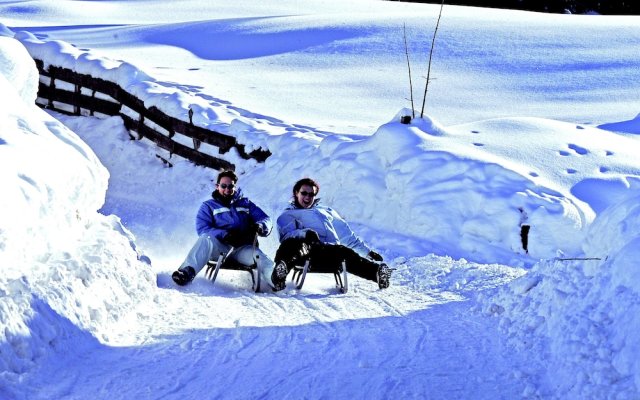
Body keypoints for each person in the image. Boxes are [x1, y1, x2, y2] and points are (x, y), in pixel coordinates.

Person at [272, 177, 392, 291]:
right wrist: (305, 234)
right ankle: (280, 273)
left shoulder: (326, 212)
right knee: (294, 244)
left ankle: (378, 273)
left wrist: (367, 252)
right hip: (305, 254)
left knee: (344, 251)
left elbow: (347, 236)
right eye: (304, 193)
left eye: (311, 194)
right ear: (296, 192)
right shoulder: (288, 214)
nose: (308, 197)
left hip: (330, 253)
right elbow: (285, 237)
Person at [172, 170, 278, 289]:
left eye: (230, 186)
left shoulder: (246, 204)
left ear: (235, 187)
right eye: (223, 186)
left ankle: (275, 279)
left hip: (242, 249)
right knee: (206, 238)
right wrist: (224, 234)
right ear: (217, 186)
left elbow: (265, 219)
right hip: (220, 248)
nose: (227, 189)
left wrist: (260, 226)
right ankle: (187, 272)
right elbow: (203, 228)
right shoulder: (208, 206)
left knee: (257, 255)